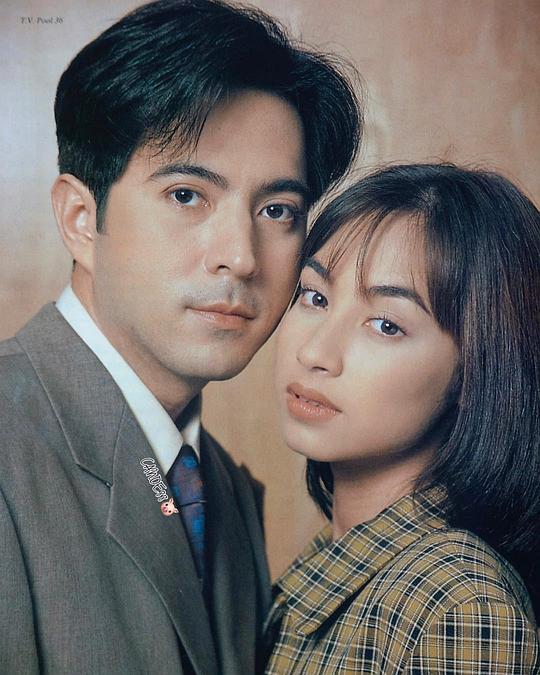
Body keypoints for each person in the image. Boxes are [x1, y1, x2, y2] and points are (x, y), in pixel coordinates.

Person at [0, 1, 362, 673]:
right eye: (188, 195)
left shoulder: (221, 485)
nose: (241, 257)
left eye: (277, 210)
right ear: (81, 219)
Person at [265, 164, 540, 673]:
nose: (316, 352)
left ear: (474, 373)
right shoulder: (331, 559)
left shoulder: (458, 605)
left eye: (386, 325)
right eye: (315, 297)